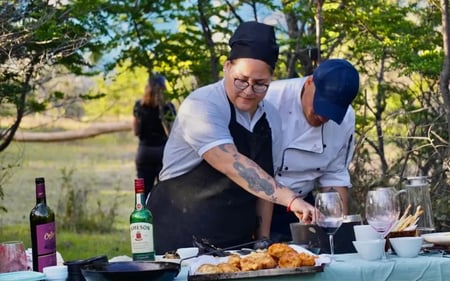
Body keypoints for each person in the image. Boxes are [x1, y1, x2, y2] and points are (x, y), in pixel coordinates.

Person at [146, 21, 316, 254]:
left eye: (260, 84)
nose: (248, 90)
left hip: (236, 245)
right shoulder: (202, 105)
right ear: (227, 67)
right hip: (179, 237)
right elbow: (233, 165)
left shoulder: (272, 118)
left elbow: (266, 180)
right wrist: (291, 199)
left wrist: (263, 240)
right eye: (241, 80)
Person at [265, 58, 360, 242]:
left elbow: (335, 175)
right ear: (309, 82)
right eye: (320, 107)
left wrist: (339, 237)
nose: (323, 117)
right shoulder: (271, 99)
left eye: (332, 113)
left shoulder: (347, 119)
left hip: (305, 209)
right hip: (258, 203)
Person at [133, 74, 176, 198]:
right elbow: (172, 133)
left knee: (141, 191)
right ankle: (161, 217)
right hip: (163, 152)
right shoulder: (168, 107)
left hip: (144, 152)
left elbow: (135, 131)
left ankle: (141, 216)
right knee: (165, 192)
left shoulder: (138, 106)